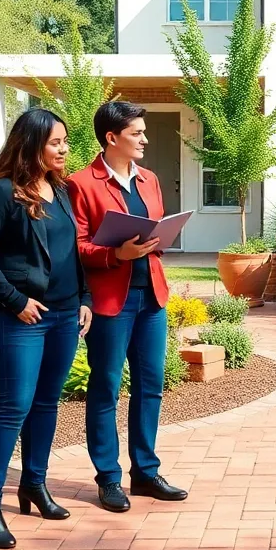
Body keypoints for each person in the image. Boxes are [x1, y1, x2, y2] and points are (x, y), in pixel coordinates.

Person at [0, 108, 93, 548]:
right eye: (56, 142)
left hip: (64, 316)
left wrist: (85, 299)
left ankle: (34, 485)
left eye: (65, 141)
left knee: (46, 404)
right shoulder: (3, 194)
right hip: (24, 319)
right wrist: (15, 301)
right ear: (32, 144)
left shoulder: (61, 192)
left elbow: (71, 252)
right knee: (14, 407)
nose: (64, 149)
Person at [68, 101, 188, 512]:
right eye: (136, 133)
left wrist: (157, 241)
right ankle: (109, 478)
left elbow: (151, 229)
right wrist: (117, 254)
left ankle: (145, 472)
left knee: (151, 385)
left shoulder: (150, 180)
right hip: (110, 302)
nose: (144, 139)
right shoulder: (81, 183)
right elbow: (77, 247)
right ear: (112, 137)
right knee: (105, 388)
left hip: (150, 297)